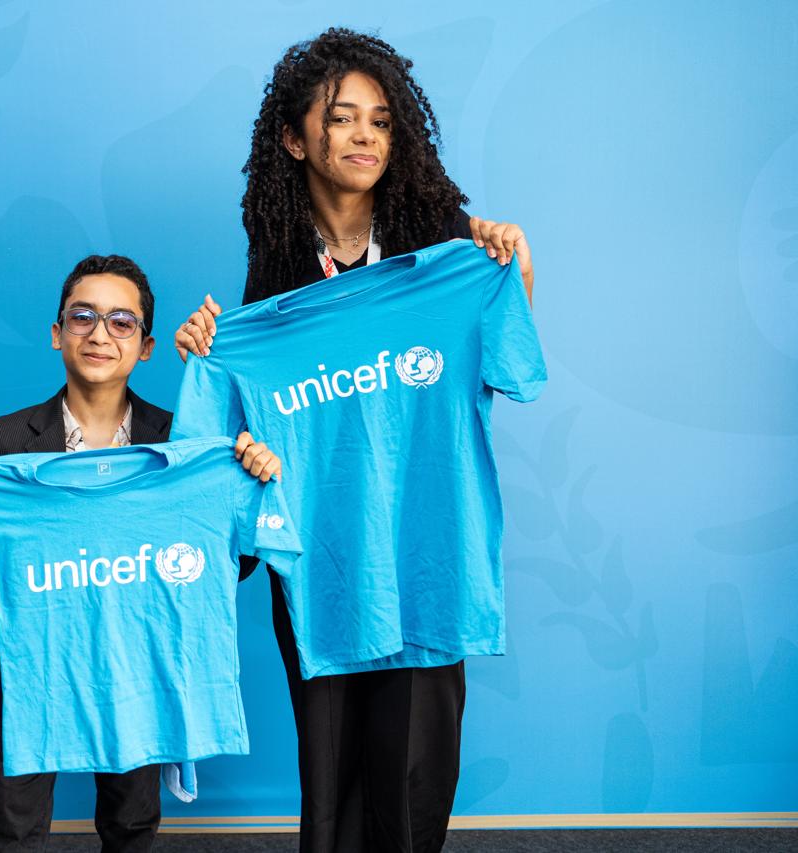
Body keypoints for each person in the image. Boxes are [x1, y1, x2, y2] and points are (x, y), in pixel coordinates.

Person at [172, 29, 537, 853]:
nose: (365, 135)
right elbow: (235, 435)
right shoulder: (276, 269)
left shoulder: (447, 247)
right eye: (342, 118)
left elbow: (512, 358)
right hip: (325, 556)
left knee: (414, 776)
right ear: (295, 139)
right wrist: (209, 351)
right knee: (331, 768)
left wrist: (513, 264)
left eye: (380, 119)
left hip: (426, 550)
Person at [0, 254, 280, 853]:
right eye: (82, 317)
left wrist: (249, 480)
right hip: (35, 673)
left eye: (121, 321)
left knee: (132, 826)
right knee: (13, 830)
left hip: (141, 666)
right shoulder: (7, 439)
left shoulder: (182, 442)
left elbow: (225, 562)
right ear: (57, 333)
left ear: (147, 347)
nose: (100, 334)